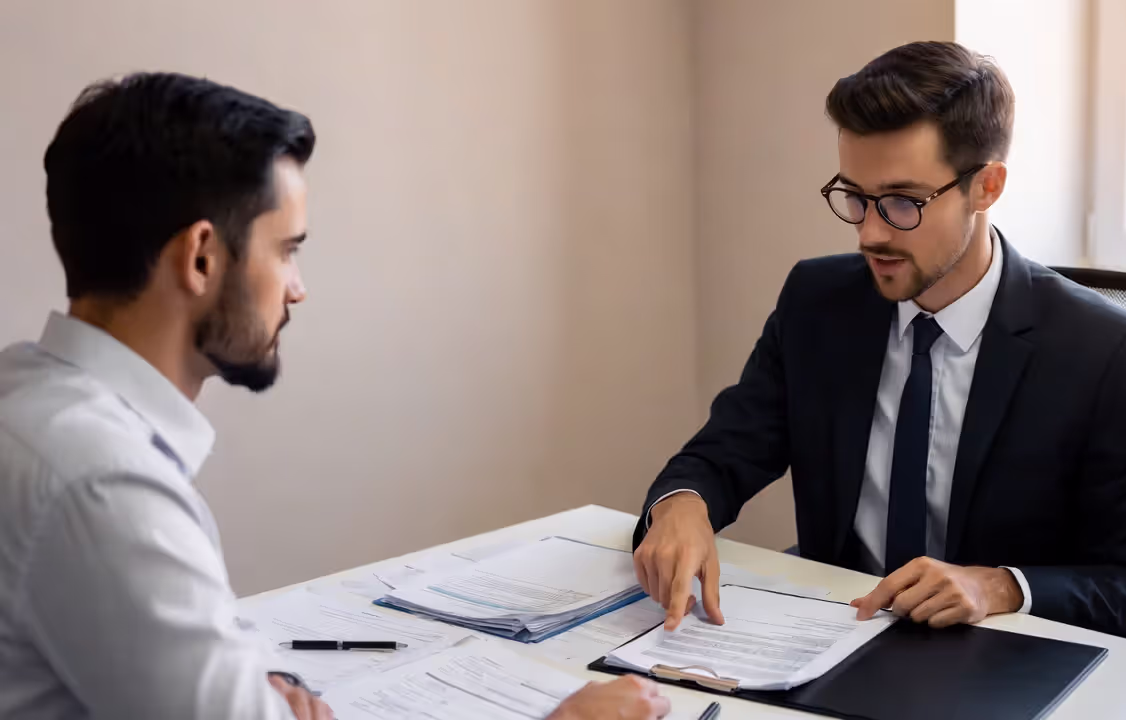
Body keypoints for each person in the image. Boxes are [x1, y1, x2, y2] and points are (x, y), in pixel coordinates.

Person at [0, 73, 670, 720]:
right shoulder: (103, 483)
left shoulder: (25, 399)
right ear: (201, 257)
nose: (297, 288)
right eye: (287, 250)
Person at [632, 41, 1126, 643]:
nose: (870, 233)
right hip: (832, 638)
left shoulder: (1102, 350)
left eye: (902, 201)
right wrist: (683, 503)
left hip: (996, 661)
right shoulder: (816, 303)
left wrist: (999, 586)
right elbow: (721, 454)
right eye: (856, 197)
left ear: (987, 187)